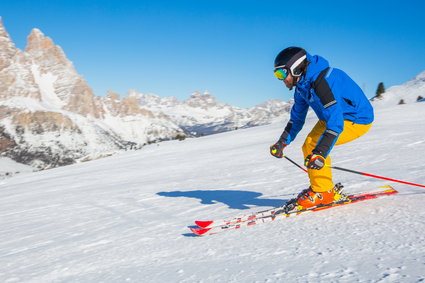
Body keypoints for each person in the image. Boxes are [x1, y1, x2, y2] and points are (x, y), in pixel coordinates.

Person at [270, 47, 374, 210]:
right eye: (277, 75)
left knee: (313, 145)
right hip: (333, 117)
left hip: (356, 119)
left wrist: (320, 153)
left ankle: (323, 192)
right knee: (309, 146)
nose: (281, 79)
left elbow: (337, 122)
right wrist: (282, 142)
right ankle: (323, 188)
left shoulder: (322, 82)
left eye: (282, 74)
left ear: (296, 68)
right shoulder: (303, 86)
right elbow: (297, 118)